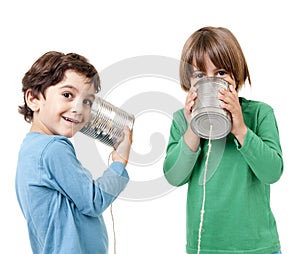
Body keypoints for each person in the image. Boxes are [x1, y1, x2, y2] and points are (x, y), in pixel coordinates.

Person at [163, 27, 283, 254]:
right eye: (199, 75)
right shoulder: (182, 120)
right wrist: (193, 130)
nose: (210, 83)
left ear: (236, 76)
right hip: (205, 248)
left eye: (220, 73)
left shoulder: (259, 114)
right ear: (189, 83)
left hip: (257, 248)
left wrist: (241, 129)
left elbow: (273, 172)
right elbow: (174, 176)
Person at [15, 51, 132, 254]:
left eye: (87, 101)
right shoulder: (53, 148)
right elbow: (93, 201)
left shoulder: (31, 149)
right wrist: (119, 162)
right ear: (33, 99)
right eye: (67, 95)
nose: (78, 108)